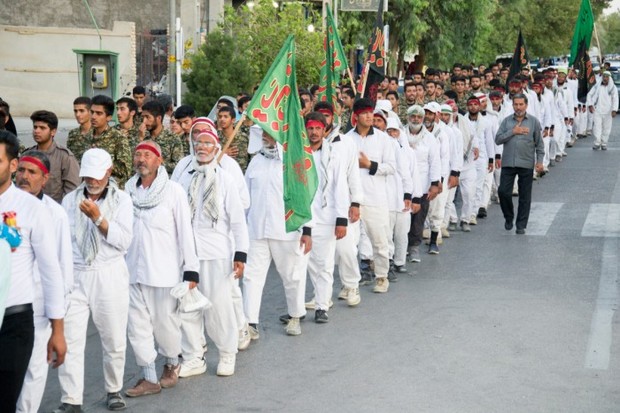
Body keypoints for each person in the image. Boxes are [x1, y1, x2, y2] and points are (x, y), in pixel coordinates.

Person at [56, 148, 133, 412]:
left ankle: (113, 389)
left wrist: (98, 219)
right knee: (71, 339)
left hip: (108, 274)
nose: (92, 181)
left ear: (109, 171)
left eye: (97, 175)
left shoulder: (122, 200)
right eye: (87, 176)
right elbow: (63, 240)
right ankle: (71, 399)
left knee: (113, 338)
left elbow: (123, 241)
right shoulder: (69, 200)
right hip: (76, 274)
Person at [124, 140, 200, 397]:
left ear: (159, 161)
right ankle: (148, 377)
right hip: (132, 269)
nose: (141, 159)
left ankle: (171, 362)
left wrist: (191, 270)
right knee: (137, 326)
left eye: (147, 154)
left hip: (164, 269)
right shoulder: (126, 190)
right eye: (138, 154)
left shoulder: (173, 191)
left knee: (165, 324)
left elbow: (185, 232)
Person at [174, 126, 249, 377]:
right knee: (187, 307)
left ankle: (227, 353)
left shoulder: (225, 179)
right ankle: (194, 356)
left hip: (216, 252)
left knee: (218, 307)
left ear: (216, 148)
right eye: (198, 143)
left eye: (207, 143)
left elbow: (237, 221)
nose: (202, 147)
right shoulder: (183, 176)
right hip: (187, 253)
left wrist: (240, 254)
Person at [0, 130, 66, 412]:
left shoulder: (31, 209)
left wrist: (58, 330)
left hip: (14, 323)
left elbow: (52, 271)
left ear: (12, 165)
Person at [15, 151, 73, 413]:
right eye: (21, 171)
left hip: (39, 307)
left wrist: (58, 315)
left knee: (33, 370)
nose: (24, 177)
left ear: (45, 178)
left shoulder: (55, 214)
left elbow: (62, 267)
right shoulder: (8, 204)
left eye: (32, 172)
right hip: (10, 302)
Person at [242, 130, 312, 337]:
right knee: (251, 277)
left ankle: (295, 315)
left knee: (292, 276)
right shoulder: (255, 162)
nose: (264, 135)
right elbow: (245, 200)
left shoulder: (292, 162)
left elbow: (305, 198)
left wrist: (307, 230)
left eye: (268, 131)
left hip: (286, 230)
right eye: (262, 132)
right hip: (256, 230)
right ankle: (250, 323)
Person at [346, 98, 395, 293]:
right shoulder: (347, 139)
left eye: (371, 113)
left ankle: (382, 276)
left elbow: (391, 167)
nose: (369, 116)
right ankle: (350, 283)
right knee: (348, 244)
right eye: (364, 113)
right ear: (355, 117)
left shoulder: (384, 139)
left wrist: (370, 165)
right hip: (352, 199)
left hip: (375, 197)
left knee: (379, 240)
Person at [495, 94, 545, 234]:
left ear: (526, 105)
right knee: (503, 192)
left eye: (521, 104)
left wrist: (540, 162)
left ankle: (521, 224)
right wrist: (513, 132)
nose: (518, 107)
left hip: (526, 163)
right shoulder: (506, 121)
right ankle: (509, 217)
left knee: (525, 195)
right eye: (516, 104)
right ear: (512, 106)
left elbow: (539, 145)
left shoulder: (533, 122)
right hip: (508, 163)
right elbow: (498, 139)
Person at [67, 95, 133, 188]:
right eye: (92, 112)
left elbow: (125, 171)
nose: (93, 117)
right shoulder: (82, 136)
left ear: (109, 117)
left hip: (108, 189)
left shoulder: (118, 138)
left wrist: (102, 162)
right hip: (84, 188)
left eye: (99, 113)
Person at [23, 110, 80, 203]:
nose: (37, 131)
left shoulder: (65, 157)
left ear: (53, 131)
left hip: (54, 210)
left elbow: (72, 191)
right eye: (35, 127)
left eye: (42, 128)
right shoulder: (27, 155)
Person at [140, 101, 185, 174]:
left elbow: (178, 165)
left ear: (159, 118)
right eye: (143, 117)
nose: (144, 121)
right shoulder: (142, 136)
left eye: (148, 117)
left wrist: (157, 164)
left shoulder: (172, 138)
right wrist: (141, 139)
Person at [588, 71, 618, 150]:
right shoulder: (597, 86)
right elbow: (590, 94)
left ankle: (604, 143)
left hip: (608, 111)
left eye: (607, 77)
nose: (605, 78)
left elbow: (615, 99)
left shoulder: (612, 88)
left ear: (609, 78)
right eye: (604, 77)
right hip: (598, 110)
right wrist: (590, 105)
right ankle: (597, 143)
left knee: (606, 128)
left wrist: (614, 110)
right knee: (597, 127)